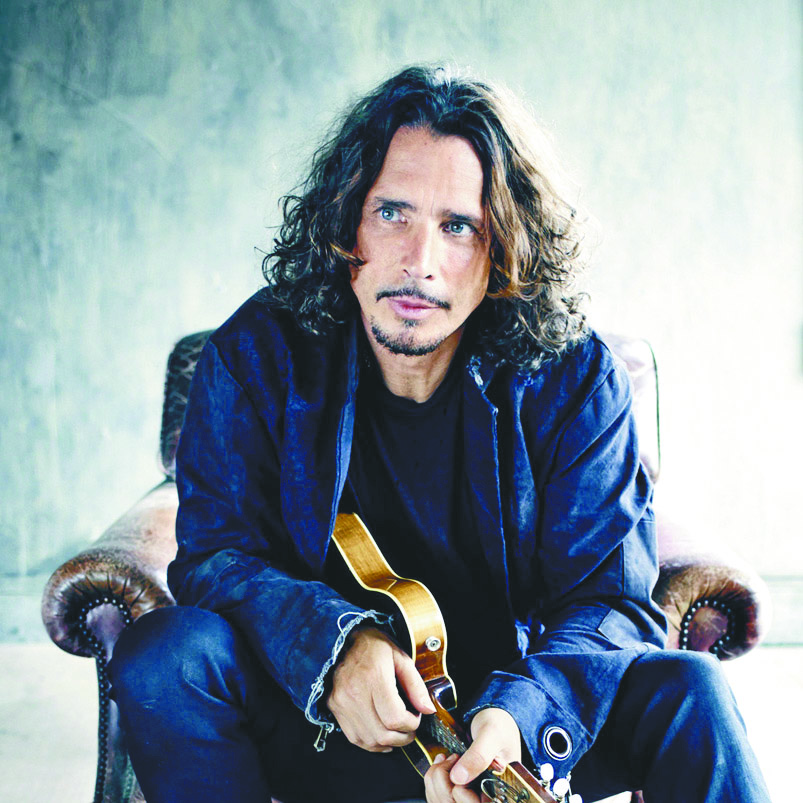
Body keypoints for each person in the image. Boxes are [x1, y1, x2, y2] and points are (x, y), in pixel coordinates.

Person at [108, 64, 768, 803]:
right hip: (320, 719)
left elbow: (611, 600)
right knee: (165, 656)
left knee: (690, 692)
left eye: (458, 227)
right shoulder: (255, 355)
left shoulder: (576, 376)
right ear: (345, 225)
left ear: (503, 252)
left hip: (508, 727)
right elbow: (215, 558)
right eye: (392, 213)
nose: (418, 263)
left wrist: (520, 715)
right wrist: (331, 648)